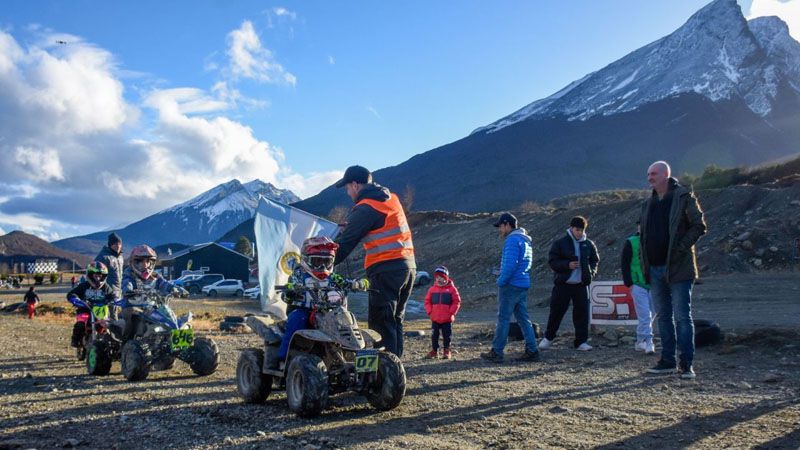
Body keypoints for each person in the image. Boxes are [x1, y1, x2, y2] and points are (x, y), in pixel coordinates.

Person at [332, 165, 416, 357]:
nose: (347, 192)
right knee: (394, 321)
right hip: (407, 266)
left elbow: (344, 245)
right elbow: (380, 225)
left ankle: (382, 377)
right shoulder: (390, 198)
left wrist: (320, 265)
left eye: (347, 188)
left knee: (380, 325)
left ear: (355, 185)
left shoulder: (366, 207)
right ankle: (395, 370)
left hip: (385, 268)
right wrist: (354, 225)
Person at [640, 161, 706, 379]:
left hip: (679, 267)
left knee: (682, 317)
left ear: (666, 175)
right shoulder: (648, 203)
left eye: (654, 173)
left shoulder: (684, 197)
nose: (650, 177)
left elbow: (699, 226)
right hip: (655, 268)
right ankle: (667, 361)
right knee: (663, 317)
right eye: (648, 174)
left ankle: (686, 364)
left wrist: (679, 248)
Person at [274, 237, 368, 368]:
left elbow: (344, 282)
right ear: (307, 260)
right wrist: (291, 291)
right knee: (297, 320)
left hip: (329, 311)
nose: (322, 266)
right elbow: (287, 296)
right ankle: (283, 358)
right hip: (305, 310)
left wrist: (358, 284)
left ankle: (356, 353)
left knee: (346, 319)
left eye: (327, 261)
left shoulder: (333, 277)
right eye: (317, 261)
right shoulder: (299, 275)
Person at [481, 213, 540, 363]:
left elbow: (510, 265)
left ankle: (497, 351)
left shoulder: (512, 240)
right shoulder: (525, 241)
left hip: (510, 285)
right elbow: (523, 264)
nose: (499, 230)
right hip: (522, 284)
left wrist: (501, 281)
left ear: (507, 225)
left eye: (500, 226)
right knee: (523, 319)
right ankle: (532, 350)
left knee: (503, 318)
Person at [540, 216, 600, 351]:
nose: (579, 232)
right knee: (556, 312)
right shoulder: (560, 243)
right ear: (571, 228)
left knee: (582, 314)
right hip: (563, 284)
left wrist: (591, 272)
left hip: (581, 285)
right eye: (577, 229)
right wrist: (567, 265)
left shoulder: (588, 244)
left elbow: (595, 260)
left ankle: (581, 342)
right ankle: (548, 338)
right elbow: (552, 261)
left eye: (581, 230)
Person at [120, 245, 184, 341]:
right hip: (133, 306)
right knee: (130, 318)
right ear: (134, 262)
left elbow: (164, 284)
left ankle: (175, 342)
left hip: (153, 308)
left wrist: (176, 289)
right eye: (141, 262)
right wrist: (129, 290)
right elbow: (126, 284)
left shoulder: (155, 275)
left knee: (170, 319)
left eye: (148, 262)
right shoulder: (129, 274)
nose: (145, 265)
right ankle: (125, 342)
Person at [621, 222, 655, 354]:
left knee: (650, 314)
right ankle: (649, 342)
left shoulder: (654, 241)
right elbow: (625, 263)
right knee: (645, 315)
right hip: (638, 283)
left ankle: (640, 340)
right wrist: (629, 283)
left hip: (653, 283)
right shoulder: (630, 242)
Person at [67, 262, 115, 347]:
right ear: (90, 275)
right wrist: (74, 298)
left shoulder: (106, 287)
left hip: (100, 310)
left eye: (100, 276)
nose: (98, 278)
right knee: (80, 324)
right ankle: (76, 340)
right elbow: (72, 293)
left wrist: (114, 299)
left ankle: (110, 345)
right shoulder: (84, 285)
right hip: (85, 309)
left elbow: (112, 295)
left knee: (107, 325)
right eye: (95, 276)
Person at [423, 266, 462, 360]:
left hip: (447, 319)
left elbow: (457, 301)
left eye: (441, 278)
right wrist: (430, 312)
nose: (439, 280)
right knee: (434, 336)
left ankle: (446, 351)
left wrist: (451, 312)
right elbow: (427, 301)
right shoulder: (432, 289)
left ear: (446, 278)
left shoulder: (452, 289)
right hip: (435, 318)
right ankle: (434, 351)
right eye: (437, 278)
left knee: (447, 336)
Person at [95, 233, 124, 298]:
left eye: (119, 244)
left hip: (119, 291)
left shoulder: (120, 257)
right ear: (110, 245)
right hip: (107, 292)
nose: (118, 246)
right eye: (115, 244)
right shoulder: (103, 257)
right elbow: (96, 276)